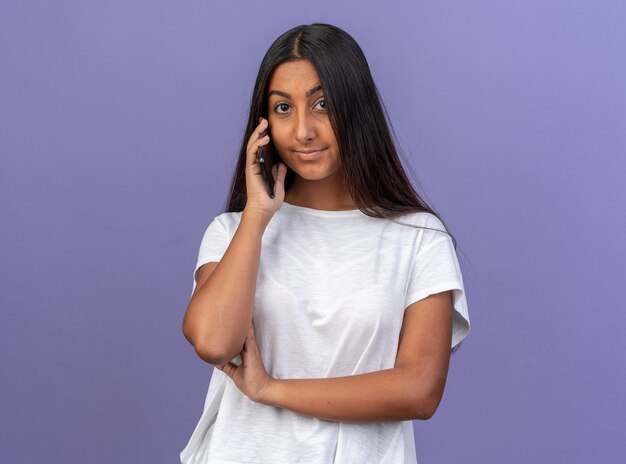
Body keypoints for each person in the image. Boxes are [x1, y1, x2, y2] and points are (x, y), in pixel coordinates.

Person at [180, 23, 471, 464]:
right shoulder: (232, 232)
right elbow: (213, 342)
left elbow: (419, 391)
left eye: (323, 104)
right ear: (263, 124)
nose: (303, 130)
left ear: (357, 109)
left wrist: (271, 390)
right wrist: (258, 216)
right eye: (282, 108)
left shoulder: (418, 238)